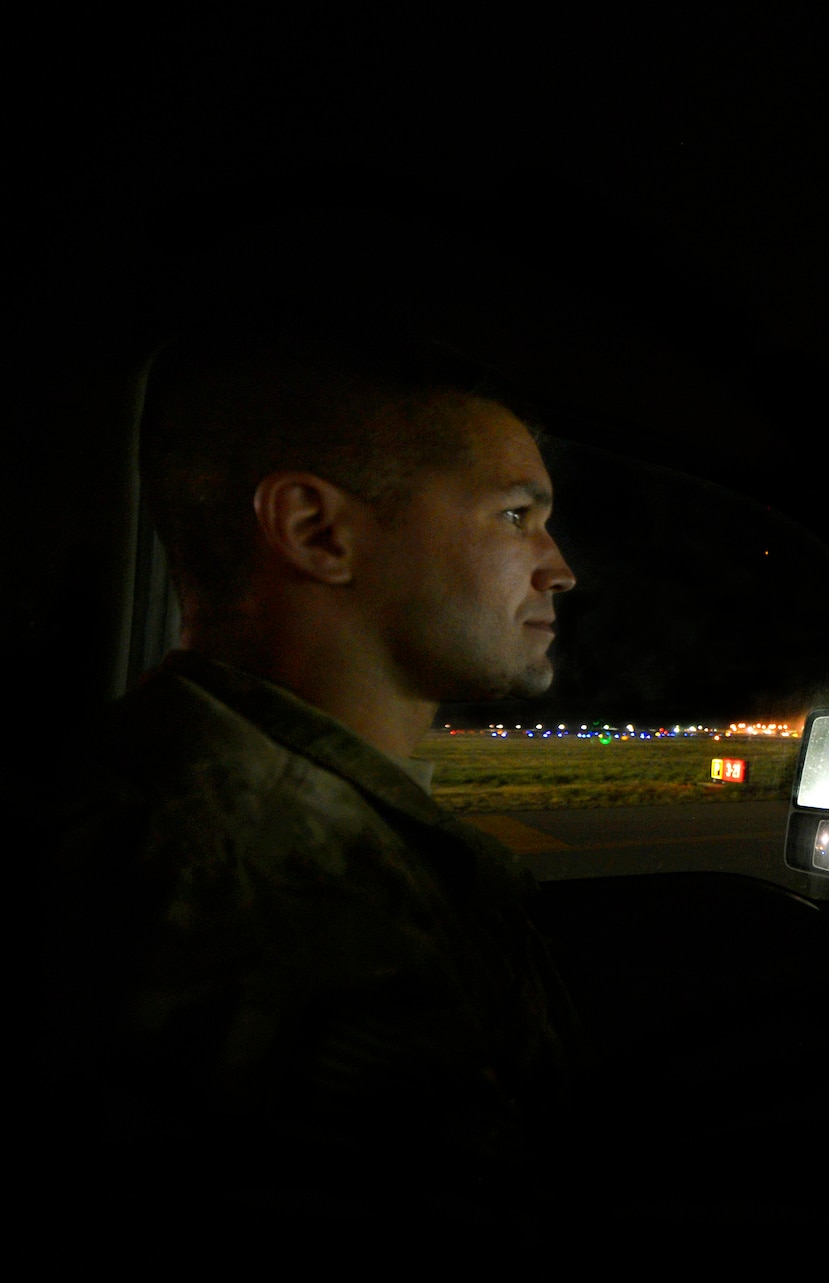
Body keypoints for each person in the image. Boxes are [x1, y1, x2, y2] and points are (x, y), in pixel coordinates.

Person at [41, 333, 585, 1242]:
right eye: (515, 516)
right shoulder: (276, 882)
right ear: (315, 531)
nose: (560, 567)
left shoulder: (227, 796)